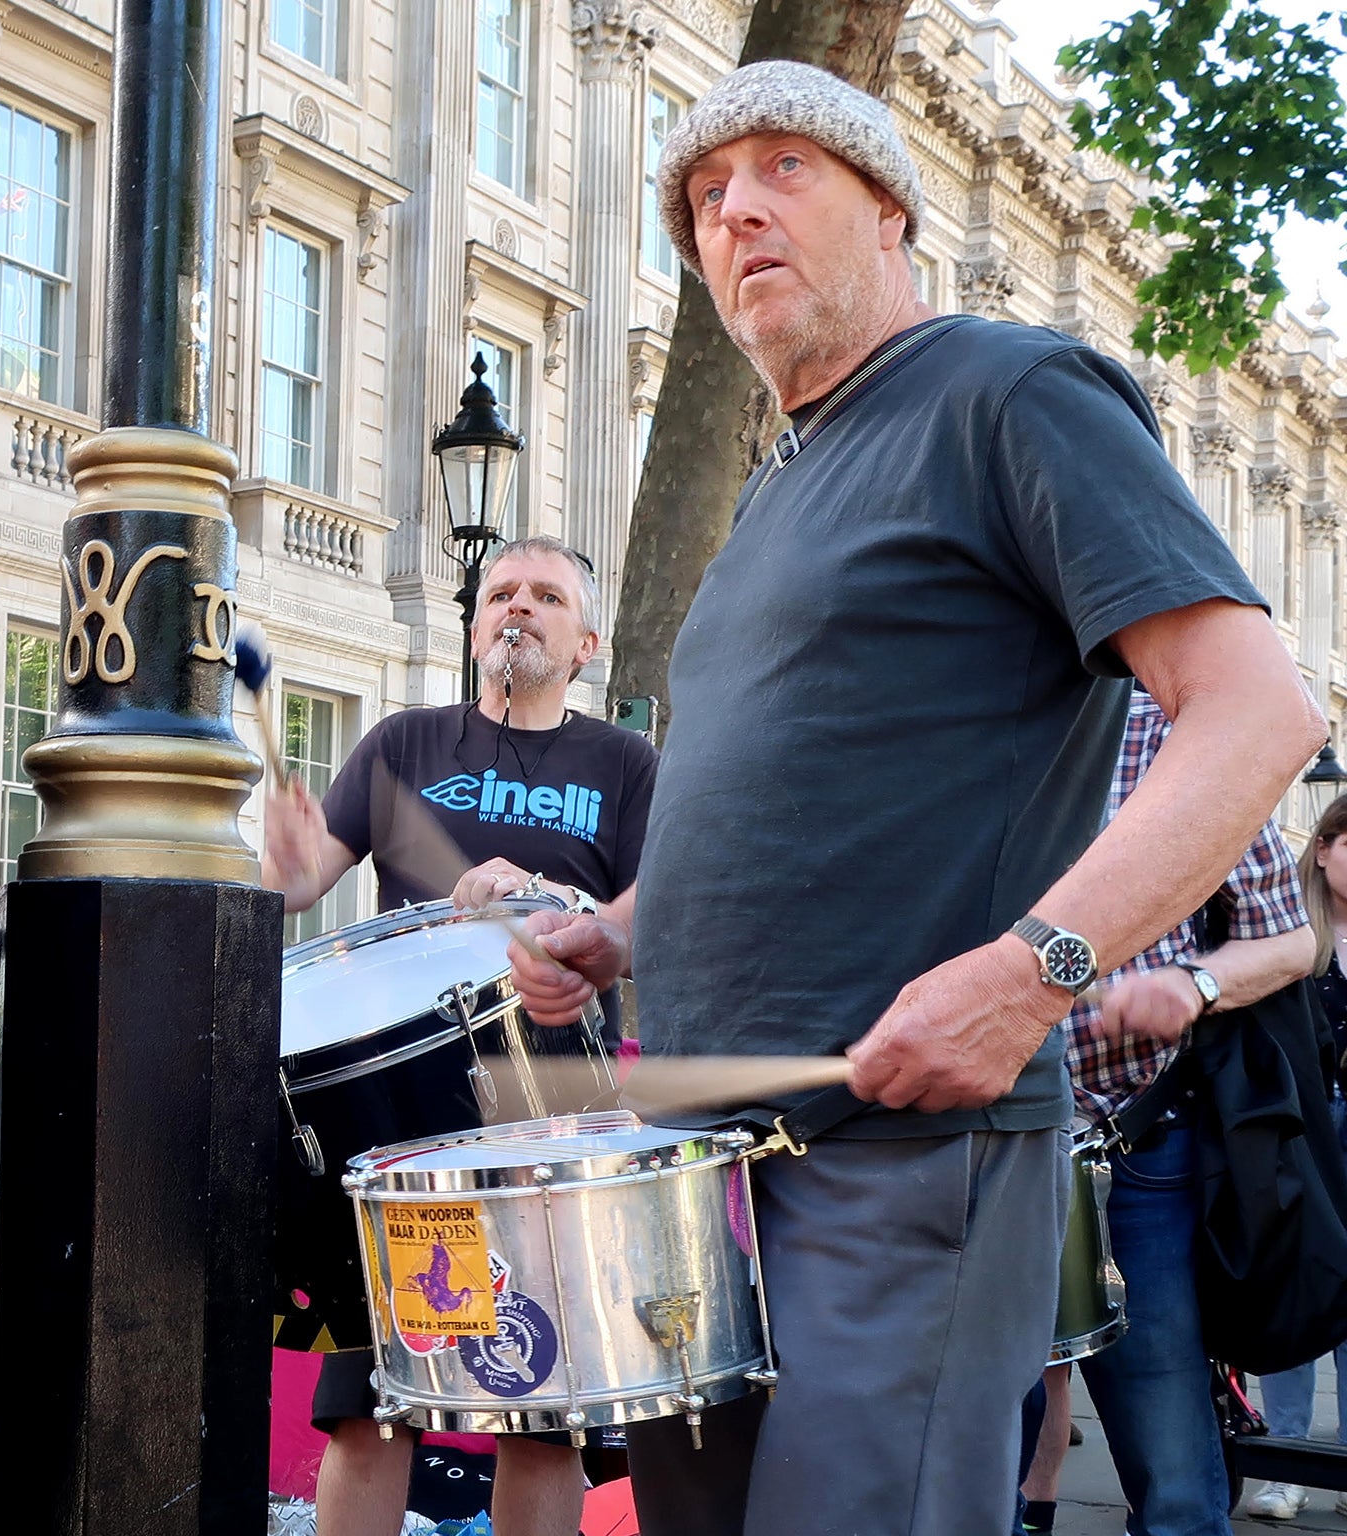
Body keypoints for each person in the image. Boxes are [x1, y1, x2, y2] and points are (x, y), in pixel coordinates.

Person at [505, 59, 1323, 1536]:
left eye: (783, 167)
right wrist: (618, 931)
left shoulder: (1013, 391)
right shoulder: (776, 483)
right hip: (699, 1177)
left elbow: (1260, 713)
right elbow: (801, 793)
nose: (735, 208)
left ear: (892, 209)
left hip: (904, 1169)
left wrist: (1035, 977)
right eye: (702, 196)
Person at [264, 534, 659, 1536]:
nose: (514, 610)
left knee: (540, 1409)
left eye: (544, 598)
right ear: (474, 625)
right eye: (497, 595)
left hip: (551, 1104)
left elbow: (657, 908)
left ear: (585, 644)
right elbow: (296, 885)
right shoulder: (402, 745)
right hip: (403, 1115)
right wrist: (278, 853)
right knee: (375, 1404)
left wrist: (550, 900)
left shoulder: (622, 761)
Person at [1039, 688, 1314, 1536]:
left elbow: (1293, 939)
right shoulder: (915, 715)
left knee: (1173, 1476)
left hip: (1130, 1147)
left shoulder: (1174, 735)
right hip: (941, 1149)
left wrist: (1196, 984)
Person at [1246, 791, 1347, 1521]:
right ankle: (1286, 1462)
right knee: (1295, 1277)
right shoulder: (1290, 932)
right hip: (1304, 1125)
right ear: (1323, 848)